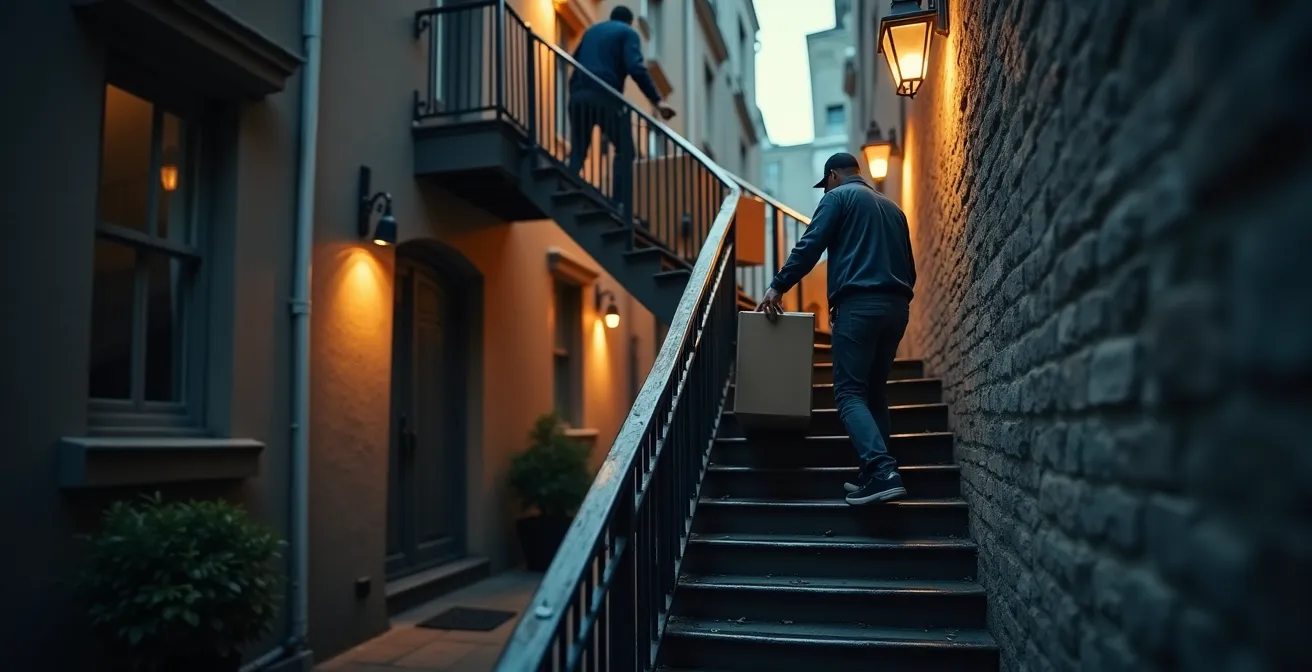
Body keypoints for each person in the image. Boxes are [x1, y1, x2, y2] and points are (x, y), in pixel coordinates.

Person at [756, 152, 917, 506]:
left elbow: (810, 245)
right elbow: (911, 268)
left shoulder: (837, 198)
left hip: (858, 307)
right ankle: (873, 473)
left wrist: (778, 285)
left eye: (824, 184)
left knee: (848, 394)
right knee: (874, 392)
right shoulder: (894, 210)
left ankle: (881, 470)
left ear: (832, 176)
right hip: (897, 307)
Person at [567, 5, 677, 222]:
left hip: (578, 95)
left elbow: (574, 60)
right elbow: (636, 67)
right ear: (629, 21)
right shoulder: (628, 33)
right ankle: (619, 204)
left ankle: (566, 182)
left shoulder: (591, 32)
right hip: (605, 95)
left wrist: (575, 94)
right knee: (626, 150)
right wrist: (657, 101)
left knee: (579, 148)